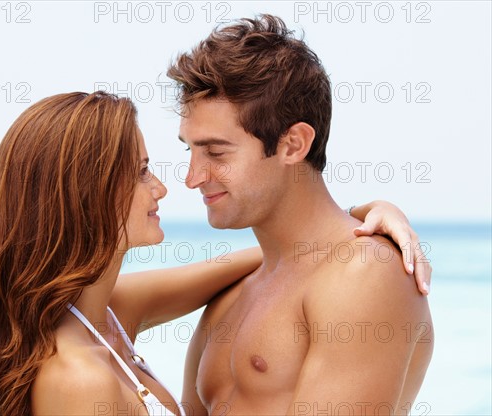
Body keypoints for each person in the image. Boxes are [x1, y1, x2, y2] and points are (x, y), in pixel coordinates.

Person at [0, 91, 429, 416]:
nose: (165, 187)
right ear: (84, 194)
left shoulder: (99, 315)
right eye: (139, 171)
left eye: (215, 154)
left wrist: (365, 215)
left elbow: (280, 256)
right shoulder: (80, 379)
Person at [167, 15, 434, 415]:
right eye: (191, 151)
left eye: (217, 154)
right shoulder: (230, 294)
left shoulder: (363, 273)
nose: (192, 179)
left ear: (293, 145)